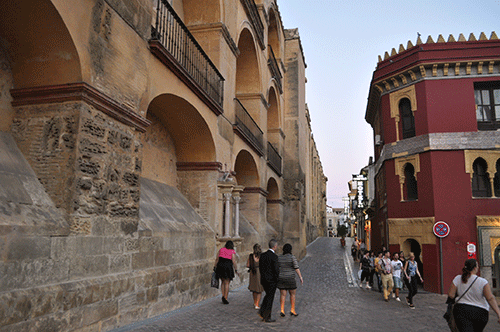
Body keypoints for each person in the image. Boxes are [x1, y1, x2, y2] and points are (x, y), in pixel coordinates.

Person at [447, 259, 500, 331]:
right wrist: (498, 313)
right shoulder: (482, 281)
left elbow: (451, 295)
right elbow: (490, 298)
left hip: (461, 310)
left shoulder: (458, 278)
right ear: (475, 268)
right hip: (480, 312)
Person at [277, 243, 303, 317]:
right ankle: (292, 310)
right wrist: (300, 277)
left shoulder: (280, 257)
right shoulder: (292, 257)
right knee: (292, 294)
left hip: (281, 278)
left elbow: (277, 267)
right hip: (290, 278)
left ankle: (282, 310)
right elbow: (296, 268)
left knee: (283, 295)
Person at [259, 239, 280, 323]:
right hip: (272, 281)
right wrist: (277, 279)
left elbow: (261, 267)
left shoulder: (263, 255)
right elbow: (276, 270)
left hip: (264, 279)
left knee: (267, 295)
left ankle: (262, 311)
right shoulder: (274, 257)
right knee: (270, 298)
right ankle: (267, 316)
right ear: (275, 246)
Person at [247, 243, 264, 309]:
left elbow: (248, 265)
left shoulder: (251, 256)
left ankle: (255, 302)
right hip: (259, 272)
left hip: (252, 273)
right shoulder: (261, 256)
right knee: (259, 289)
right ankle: (257, 304)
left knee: (254, 289)